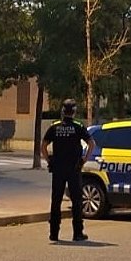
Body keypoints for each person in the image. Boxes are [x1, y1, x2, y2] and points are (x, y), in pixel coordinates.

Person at [41, 99, 95, 242]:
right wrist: (83, 160)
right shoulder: (78, 126)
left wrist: (49, 161)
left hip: (58, 169)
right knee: (77, 201)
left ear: (63, 111)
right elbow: (91, 144)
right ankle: (77, 233)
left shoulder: (55, 126)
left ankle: (54, 233)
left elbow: (43, 146)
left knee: (56, 200)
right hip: (74, 169)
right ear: (74, 111)